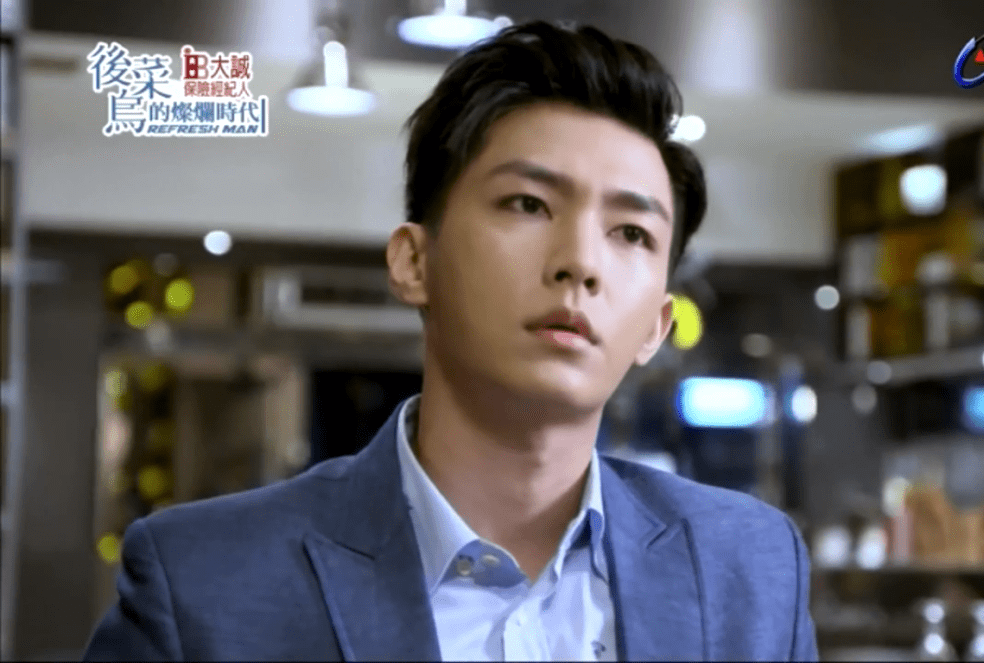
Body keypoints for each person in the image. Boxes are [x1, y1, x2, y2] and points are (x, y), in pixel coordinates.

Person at [84, 20, 818, 662]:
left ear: (656, 324)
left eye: (630, 232)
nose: (581, 263)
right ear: (414, 261)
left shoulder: (749, 569)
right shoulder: (203, 582)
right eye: (528, 203)